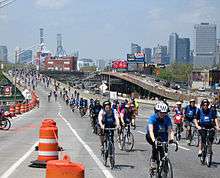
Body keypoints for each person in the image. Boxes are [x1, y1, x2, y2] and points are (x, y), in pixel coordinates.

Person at [146, 102, 174, 169]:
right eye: (161, 112)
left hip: (163, 136)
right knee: (156, 146)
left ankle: (164, 165)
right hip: (152, 136)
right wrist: (154, 140)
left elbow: (170, 130)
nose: (163, 114)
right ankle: (153, 160)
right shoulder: (152, 118)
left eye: (165, 113)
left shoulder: (167, 118)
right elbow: (151, 131)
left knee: (163, 151)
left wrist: (171, 139)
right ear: (157, 112)